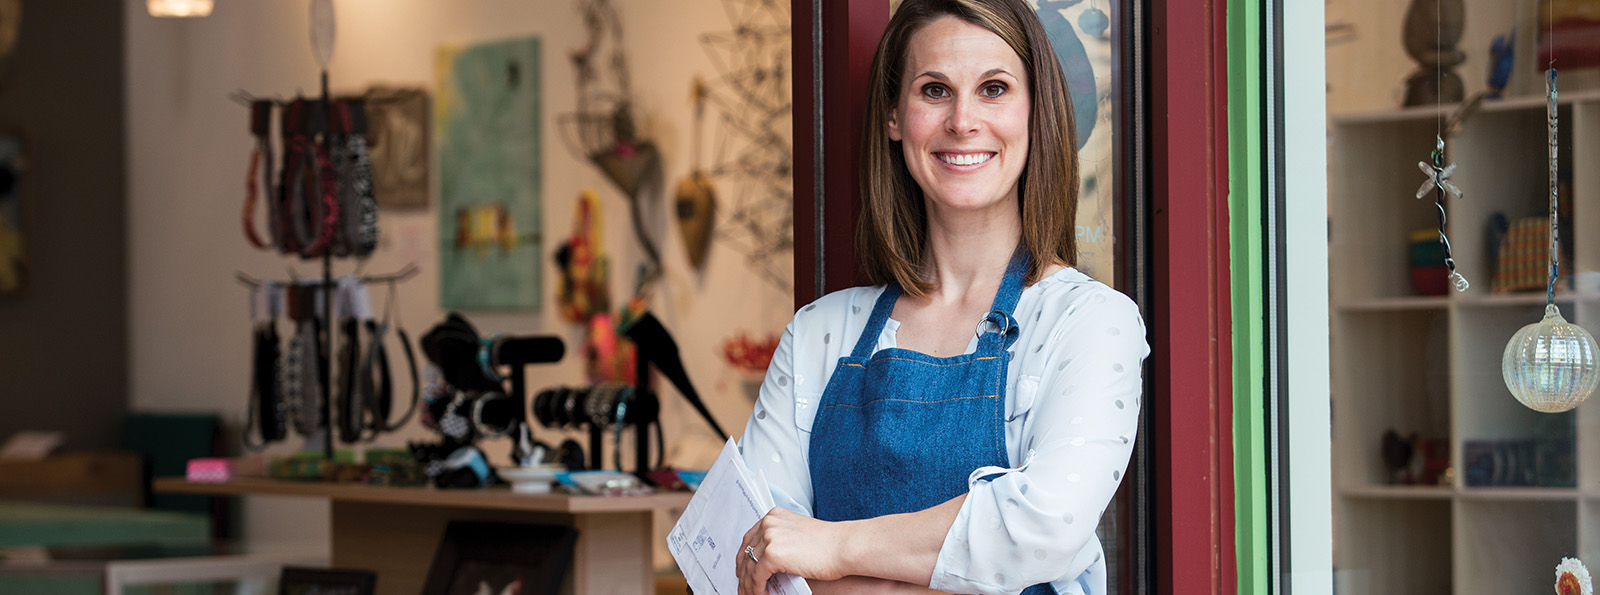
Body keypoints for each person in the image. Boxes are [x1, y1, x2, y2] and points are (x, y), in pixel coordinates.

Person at [734, 0, 1148, 594]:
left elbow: (1041, 528)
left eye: (994, 89)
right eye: (934, 90)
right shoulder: (818, 333)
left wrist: (833, 548)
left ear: (1035, 113)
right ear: (894, 116)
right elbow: (760, 560)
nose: (962, 120)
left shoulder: (1090, 323)